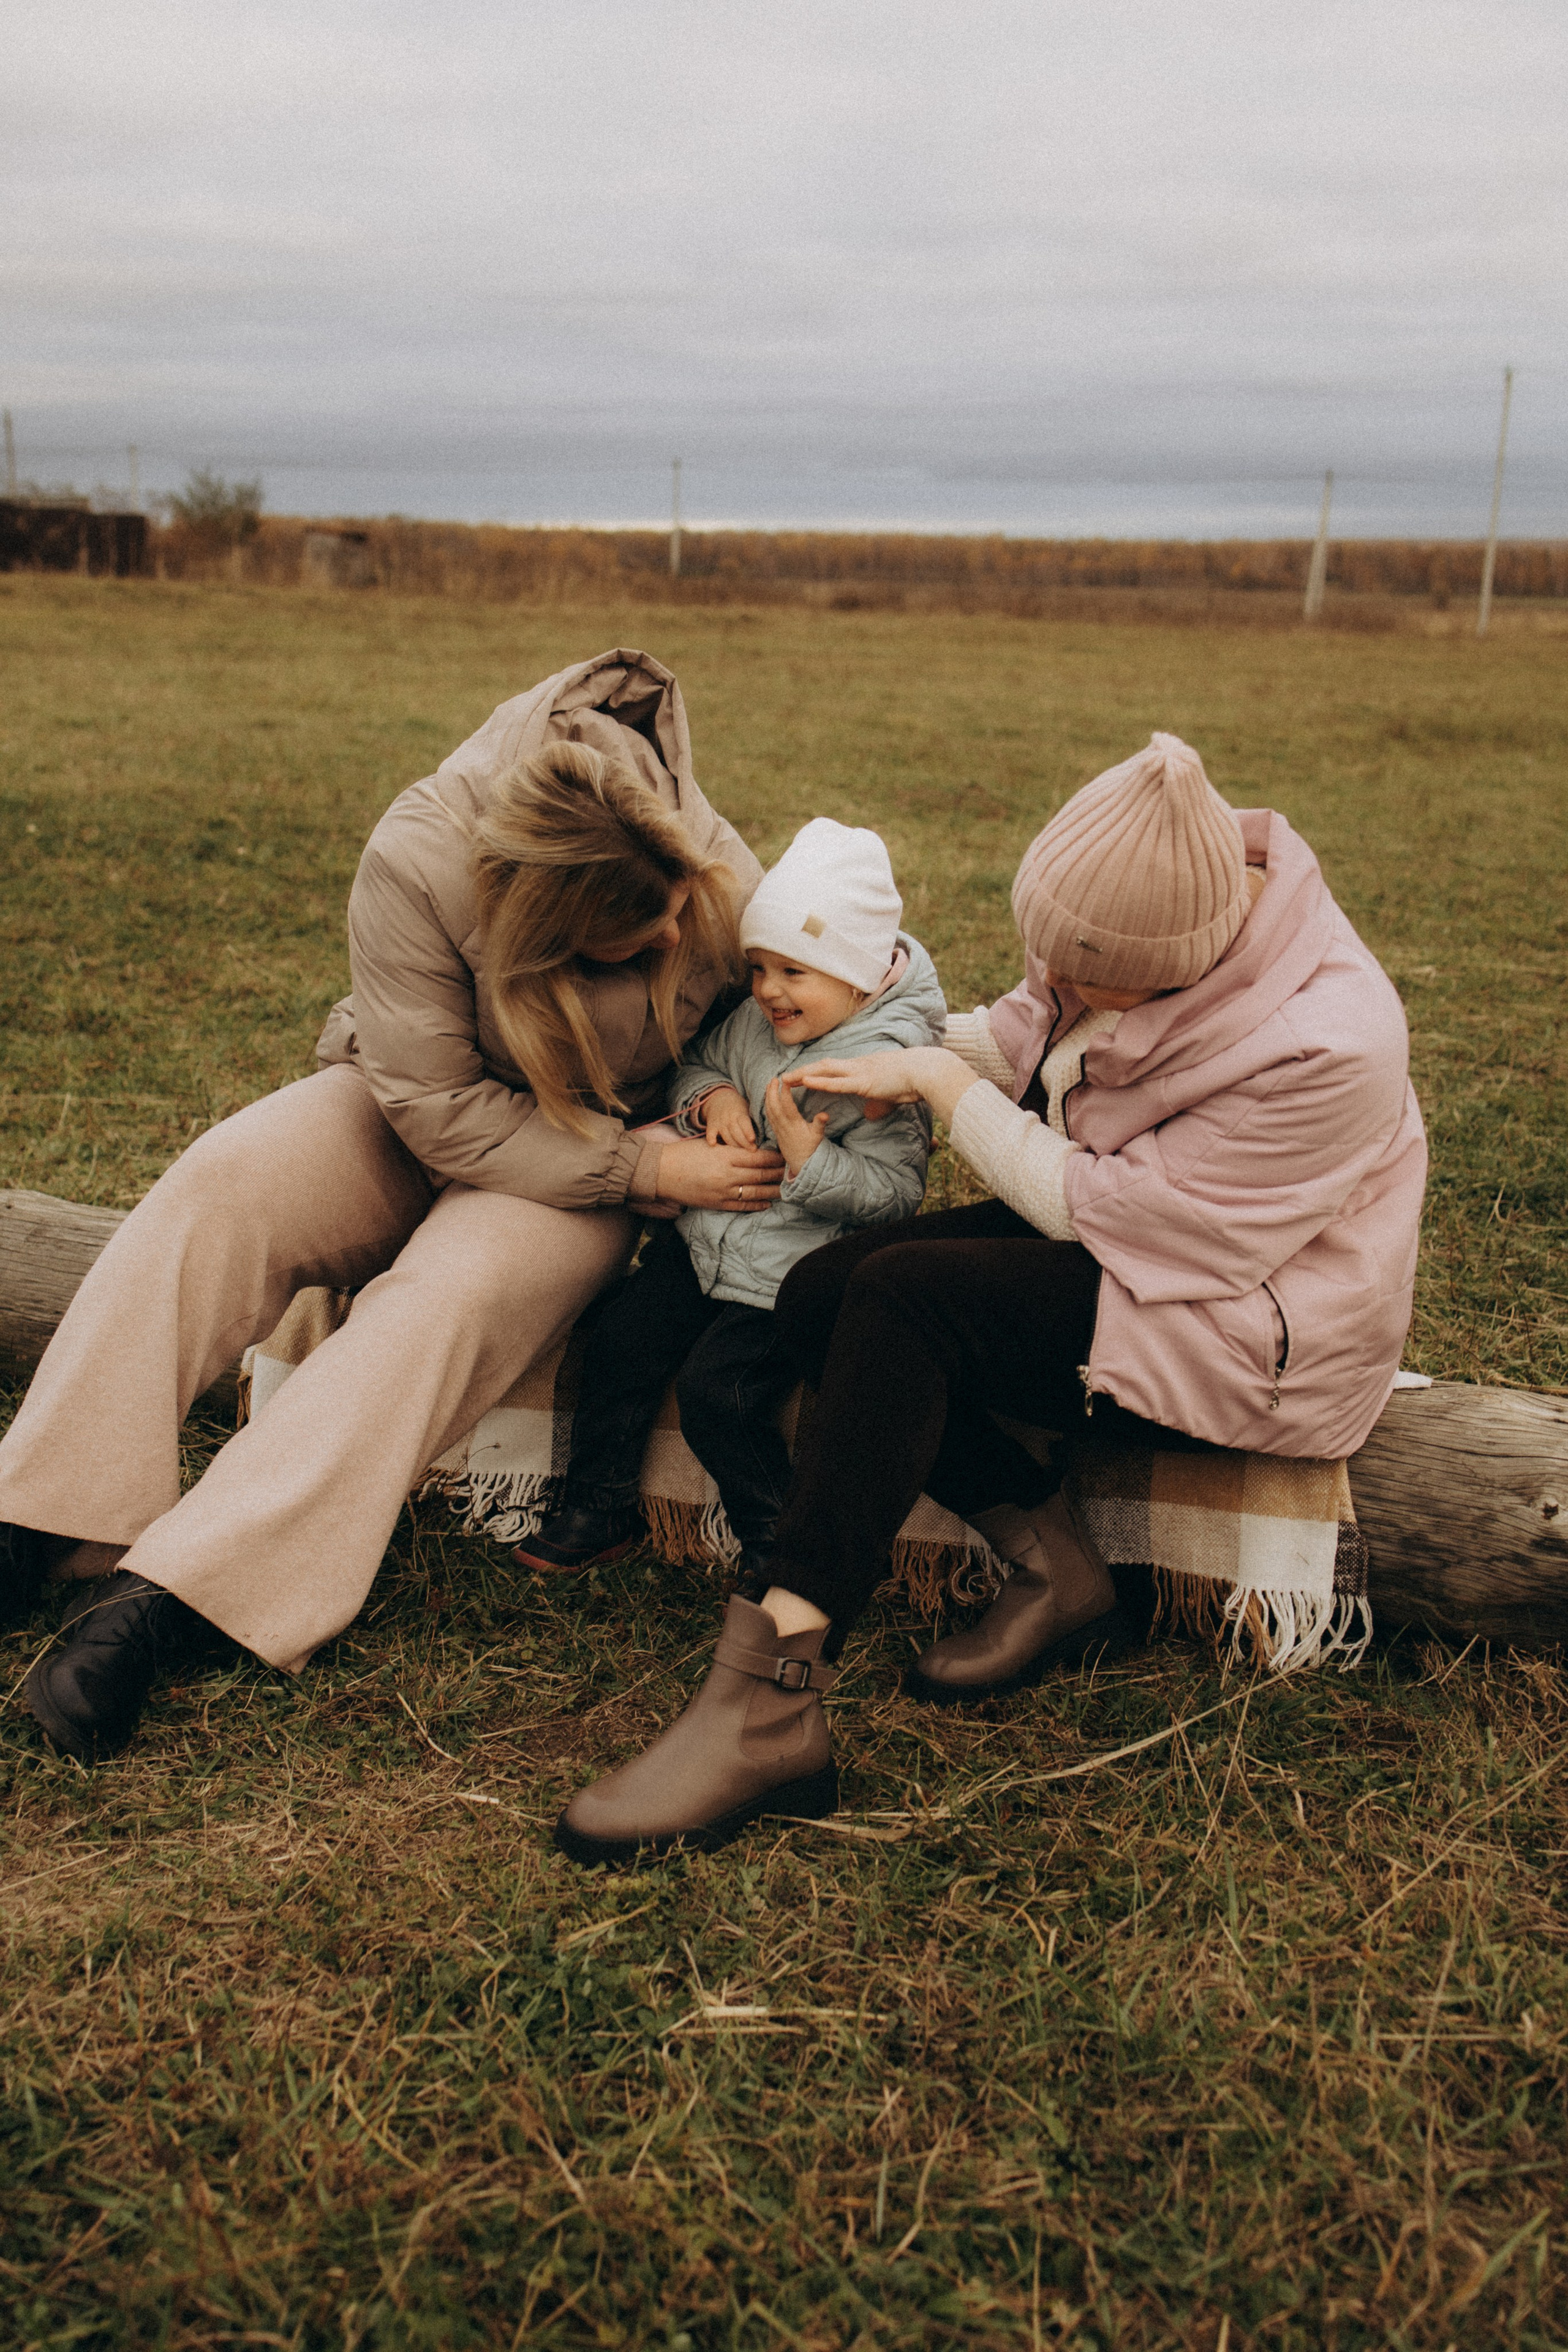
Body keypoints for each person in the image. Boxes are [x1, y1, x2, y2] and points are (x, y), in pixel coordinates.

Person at [555, 731, 1428, 1865]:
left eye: (1080, 972)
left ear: (1185, 958)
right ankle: (1057, 1568)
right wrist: (855, 1046)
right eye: (1047, 957)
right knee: (824, 1292)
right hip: (1130, 1238)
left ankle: (771, 1699)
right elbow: (1024, 1034)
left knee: (904, 1302)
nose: (1053, 984)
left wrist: (931, 1080)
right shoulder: (1128, 908)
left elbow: (1098, 1212)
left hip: (1238, 1311)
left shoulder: (1331, 1044)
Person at [0, 649, 782, 1762]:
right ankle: (45, 1514)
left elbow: (818, 1005)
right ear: (532, 923)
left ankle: (171, 1600)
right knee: (217, 1185)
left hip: (600, 1141)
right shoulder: (421, 853)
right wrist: (650, 1175)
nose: (669, 942)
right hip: (431, 1104)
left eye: (671, 922)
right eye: (635, 942)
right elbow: (434, 1102)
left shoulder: (707, 872)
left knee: (443, 1300)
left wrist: (664, 1149)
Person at [516, 818, 946, 1591]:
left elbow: (894, 1199)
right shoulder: (755, 1023)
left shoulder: (889, 1071)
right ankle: (598, 1504)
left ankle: (780, 1544)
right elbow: (700, 1066)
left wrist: (813, 1163)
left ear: (853, 975)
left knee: (723, 1391)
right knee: (621, 1339)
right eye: (757, 968)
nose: (768, 991)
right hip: (707, 1237)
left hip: (793, 1268)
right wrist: (711, 1099)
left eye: (794, 971)